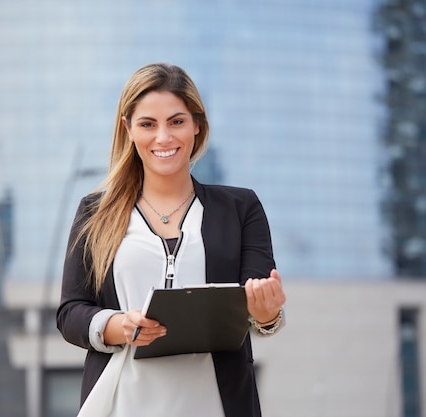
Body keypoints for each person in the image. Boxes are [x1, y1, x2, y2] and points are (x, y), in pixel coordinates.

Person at [56, 63, 286, 417]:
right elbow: (70, 313)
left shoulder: (242, 209)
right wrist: (120, 325)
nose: (163, 137)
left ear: (197, 125)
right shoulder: (94, 212)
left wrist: (267, 313)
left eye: (176, 121)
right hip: (121, 403)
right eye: (148, 124)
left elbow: (257, 302)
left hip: (215, 404)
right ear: (128, 129)